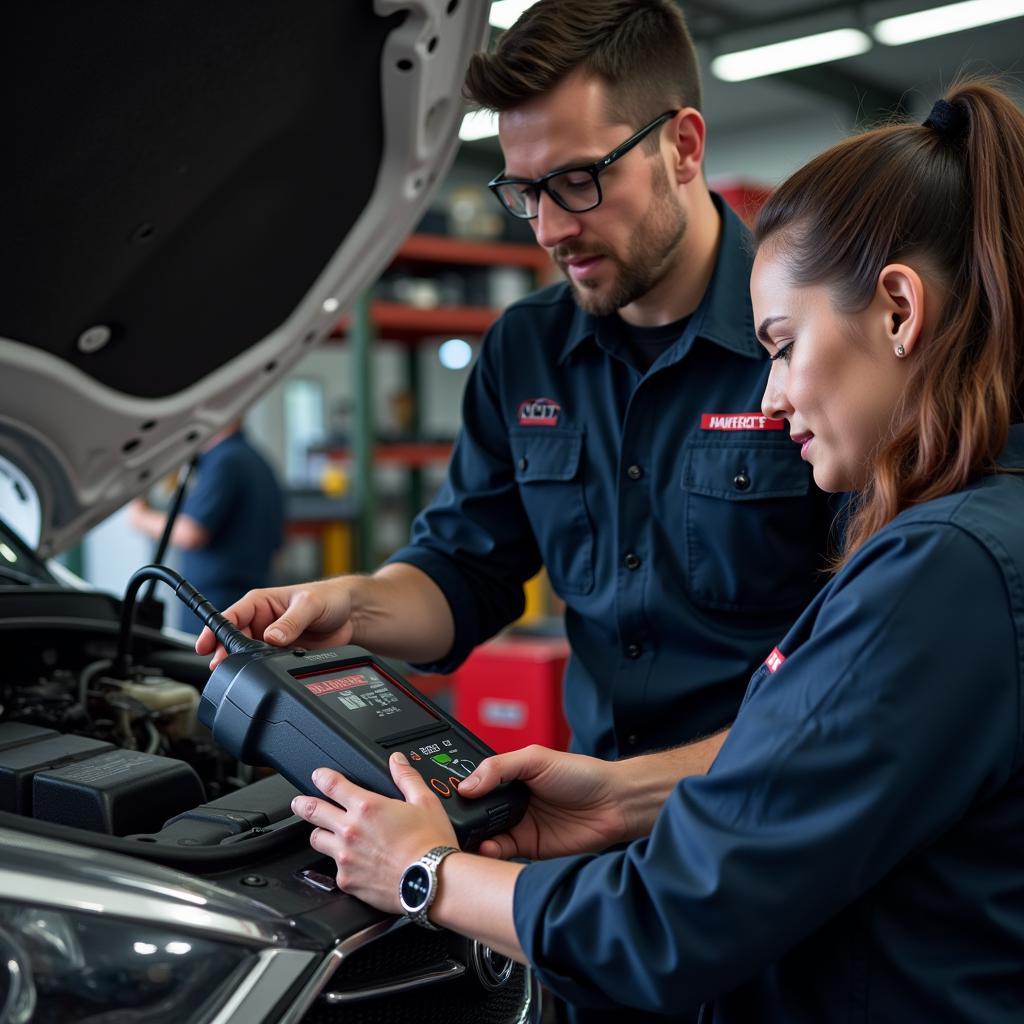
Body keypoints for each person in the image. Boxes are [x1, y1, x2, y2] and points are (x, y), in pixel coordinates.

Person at [286, 80, 1024, 1022]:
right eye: (524, 193)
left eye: (787, 345)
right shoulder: (976, 528)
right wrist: (627, 798)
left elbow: (674, 916)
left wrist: (425, 872)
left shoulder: (944, 566)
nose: (769, 398)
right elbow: (833, 754)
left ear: (898, 311)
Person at [199, 0, 833, 767]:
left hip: (781, 804)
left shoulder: (811, 334)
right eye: (525, 192)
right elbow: (468, 570)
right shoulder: (524, 349)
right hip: (596, 813)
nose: (548, 229)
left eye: (576, 181)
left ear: (683, 147)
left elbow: (877, 648)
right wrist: (349, 605)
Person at [130, 421, 284, 631]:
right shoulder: (257, 459)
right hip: (248, 598)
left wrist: (140, 517)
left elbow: (192, 531)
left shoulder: (225, 460)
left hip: (214, 604)